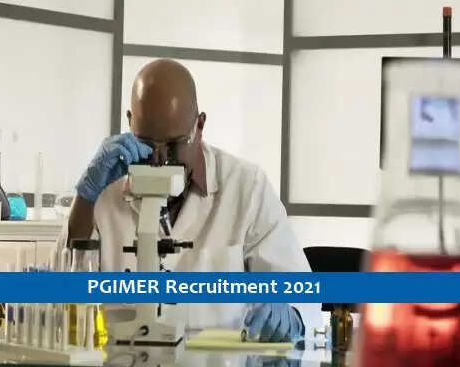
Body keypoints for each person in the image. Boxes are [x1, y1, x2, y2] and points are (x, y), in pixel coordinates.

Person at [54, 59, 319, 342]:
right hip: (124, 356)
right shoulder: (104, 188)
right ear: (130, 122)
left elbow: (301, 294)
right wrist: (86, 196)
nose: (159, 160)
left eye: (173, 145)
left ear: (199, 126)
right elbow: (58, 298)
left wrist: (291, 314)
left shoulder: (246, 187)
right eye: (146, 143)